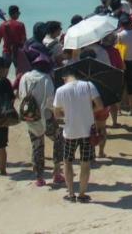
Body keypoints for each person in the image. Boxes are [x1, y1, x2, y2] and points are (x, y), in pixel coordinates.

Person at [53, 62, 102, 204]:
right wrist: (87, 111)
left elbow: (56, 114)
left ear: (64, 77)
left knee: (67, 162)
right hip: (88, 131)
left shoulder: (60, 90)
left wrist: (67, 113)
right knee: (85, 163)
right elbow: (100, 105)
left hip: (70, 131)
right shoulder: (88, 85)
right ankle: (82, 194)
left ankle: (71, 193)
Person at [19, 55, 58, 187]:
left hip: (30, 117)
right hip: (46, 117)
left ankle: (39, 178)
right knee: (59, 140)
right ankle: (57, 172)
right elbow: (50, 100)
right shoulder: (46, 78)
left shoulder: (24, 77)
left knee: (37, 146)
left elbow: (21, 95)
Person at [0, 5, 29, 80]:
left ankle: (2, 87)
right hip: (18, 52)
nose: (19, 14)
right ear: (15, 13)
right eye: (18, 13)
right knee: (19, 72)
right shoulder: (20, 25)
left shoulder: (2, 25)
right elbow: (24, 40)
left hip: (6, 52)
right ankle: (17, 89)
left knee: (4, 72)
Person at [115, 14, 132, 117]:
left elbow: (118, 50)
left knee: (120, 87)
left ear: (121, 24)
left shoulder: (120, 35)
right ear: (131, 23)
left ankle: (119, 111)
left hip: (122, 62)